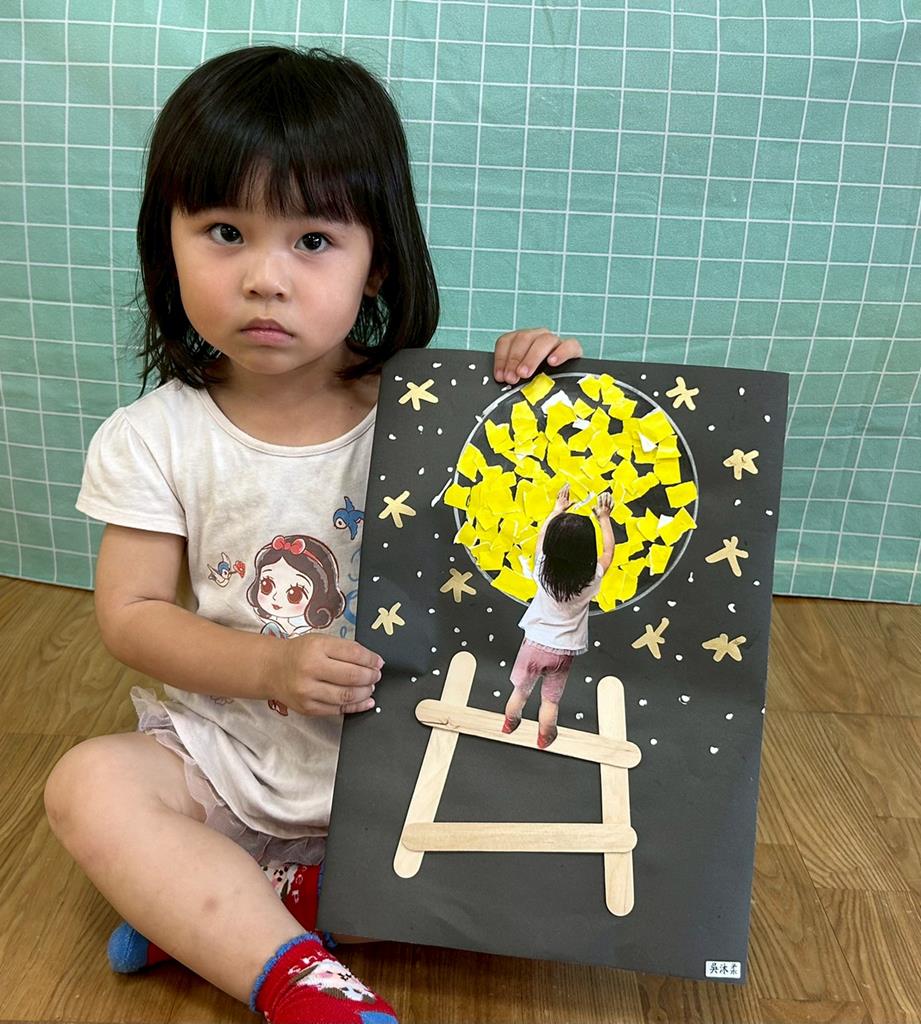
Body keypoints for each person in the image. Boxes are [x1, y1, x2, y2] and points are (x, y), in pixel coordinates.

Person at [42, 45, 582, 1024]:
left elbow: (545, 524)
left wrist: (535, 391)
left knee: (546, 824)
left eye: (314, 240)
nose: (265, 278)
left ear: (380, 261)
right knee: (88, 787)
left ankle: (234, 908)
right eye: (224, 232)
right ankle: (299, 980)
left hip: (393, 768)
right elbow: (130, 615)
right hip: (224, 760)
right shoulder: (152, 436)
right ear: (166, 246)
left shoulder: (438, 415)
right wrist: (269, 667)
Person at [503, 486, 615, 749]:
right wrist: (604, 518)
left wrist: (557, 510)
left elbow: (542, 536)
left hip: (533, 646)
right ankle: (545, 736)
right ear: (587, 555)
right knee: (550, 701)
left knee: (520, 692)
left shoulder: (542, 570)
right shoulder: (591, 579)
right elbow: (608, 553)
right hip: (563, 651)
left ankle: (509, 723)